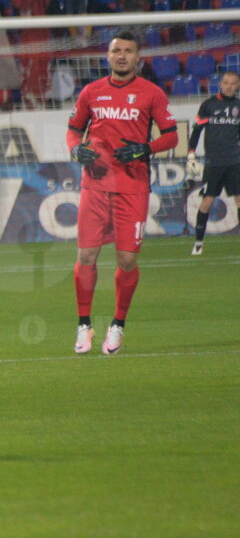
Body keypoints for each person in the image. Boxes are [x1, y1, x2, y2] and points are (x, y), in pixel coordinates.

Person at [66, 31, 178, 355]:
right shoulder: (91, 92)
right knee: (86, 255)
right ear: (108, 56)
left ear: (138, 57)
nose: (122, 56)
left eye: (128, 51)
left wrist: (145, 148)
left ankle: (118, 324)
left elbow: (170, 136)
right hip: (96, 184)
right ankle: (84, 324)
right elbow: (74, 130)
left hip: (132, 186)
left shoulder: (151, 94)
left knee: (127, 259)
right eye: (117, 51)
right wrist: (76, 151)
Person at [186, 71, 240, 255]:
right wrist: (191, 155)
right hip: (214, 163)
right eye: (226, 82)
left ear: (238, 85)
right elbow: (197, 131)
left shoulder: (239, 106)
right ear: (221, 84)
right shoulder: (208, 105)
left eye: (233, 83)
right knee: (207, 202)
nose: (229, 86)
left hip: (235, 162)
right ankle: (199, 242)